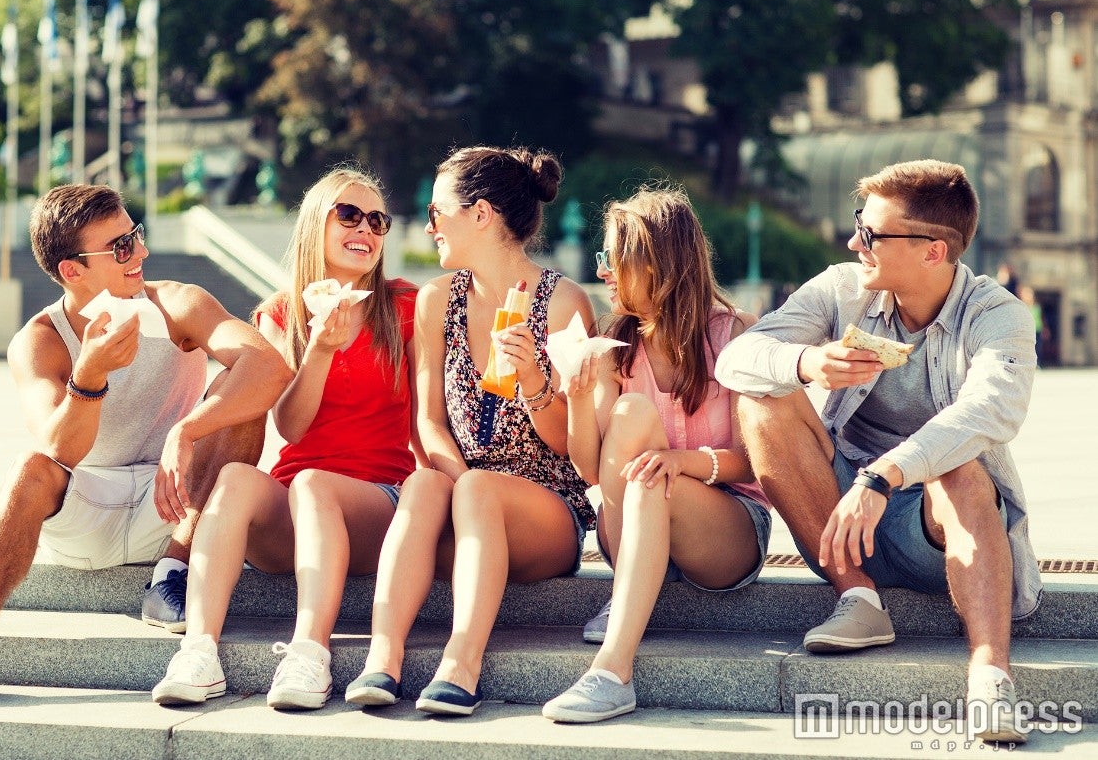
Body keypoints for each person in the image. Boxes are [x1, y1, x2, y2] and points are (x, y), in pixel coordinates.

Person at [0, 184, 289, 706]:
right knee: (30, 467)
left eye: (135, 235)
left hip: (175, 501)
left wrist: (186, 430)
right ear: (72, 270)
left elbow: (269, 366)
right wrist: (89, 375)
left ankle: (172, 575)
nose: (141, 252)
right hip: (87, 513)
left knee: (238, 398)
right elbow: (60, 448)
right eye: (120, 247)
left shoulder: (177, 303)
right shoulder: (41, 339)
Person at [714, 160, 1039, 744]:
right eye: (857, 223)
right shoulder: (843, 288)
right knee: (762, 400)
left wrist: (884, 476)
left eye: (870, 232)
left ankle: (990, 676)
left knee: (960, 467)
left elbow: (991, 410)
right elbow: (735, 359)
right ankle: (858, 599)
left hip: (935, 527)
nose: (853, 242)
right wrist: (806, 361)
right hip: (838, 519)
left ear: (933, 251)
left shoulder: (998, 315)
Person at [151, 168, 421, 710]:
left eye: (377, 221)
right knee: (236, 478)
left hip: (378, 504)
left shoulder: (405, 305)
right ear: (315, 224)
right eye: (349, 215)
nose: (365, 229)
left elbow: (426, 420)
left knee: (315, 484)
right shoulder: (280, 312)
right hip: (293, 509)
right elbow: (291, 427)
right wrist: (319, 350)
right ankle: (198, 652)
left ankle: (309, 653)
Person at [345, 146, 596, 716]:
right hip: (464, 494)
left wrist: (533, 379)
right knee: (423, 483)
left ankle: (462, 663)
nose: (428, 226)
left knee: (476, 488)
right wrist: (458, 483)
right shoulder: (438, 300)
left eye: (437, 212)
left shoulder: (563, 304)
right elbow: (428, 422)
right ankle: (383, 657)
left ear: (480, 214)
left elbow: (572, 446)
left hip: (547, 515)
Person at [542, 186, 770, 723]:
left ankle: (611, 672)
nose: (602, 271)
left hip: (725, 529)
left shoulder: (735, 335)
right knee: (630, 414)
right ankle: (629, 598)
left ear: (655, 264)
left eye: (612, 258)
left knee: (650, 478)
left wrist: (681, 462)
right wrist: (578, 397)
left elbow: (756, 462)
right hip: (629, 524)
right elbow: (591, 470)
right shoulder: (614, 344)